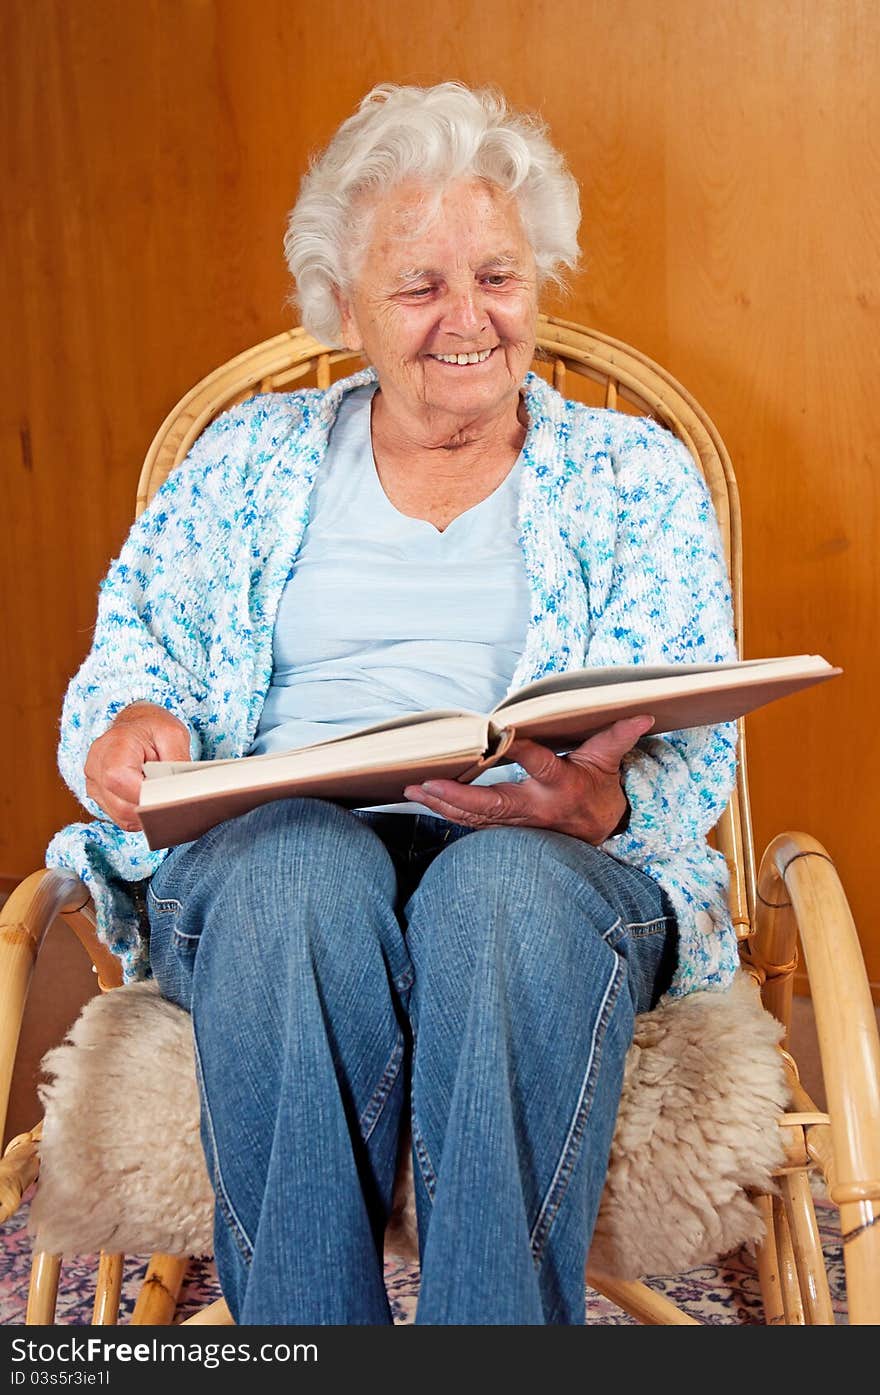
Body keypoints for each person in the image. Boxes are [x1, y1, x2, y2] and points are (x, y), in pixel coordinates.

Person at [48, 82, 740, 1325]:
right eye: (419, 288)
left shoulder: (638, 477)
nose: (467, 320)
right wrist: (130, 724)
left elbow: (696, 736)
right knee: (295, 869)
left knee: (504, 890)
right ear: (344, 307)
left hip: (546, 863)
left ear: (538, 281)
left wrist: (603, 804)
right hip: (273, 851)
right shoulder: (249, 460)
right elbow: (126, 658)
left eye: (499, 279)